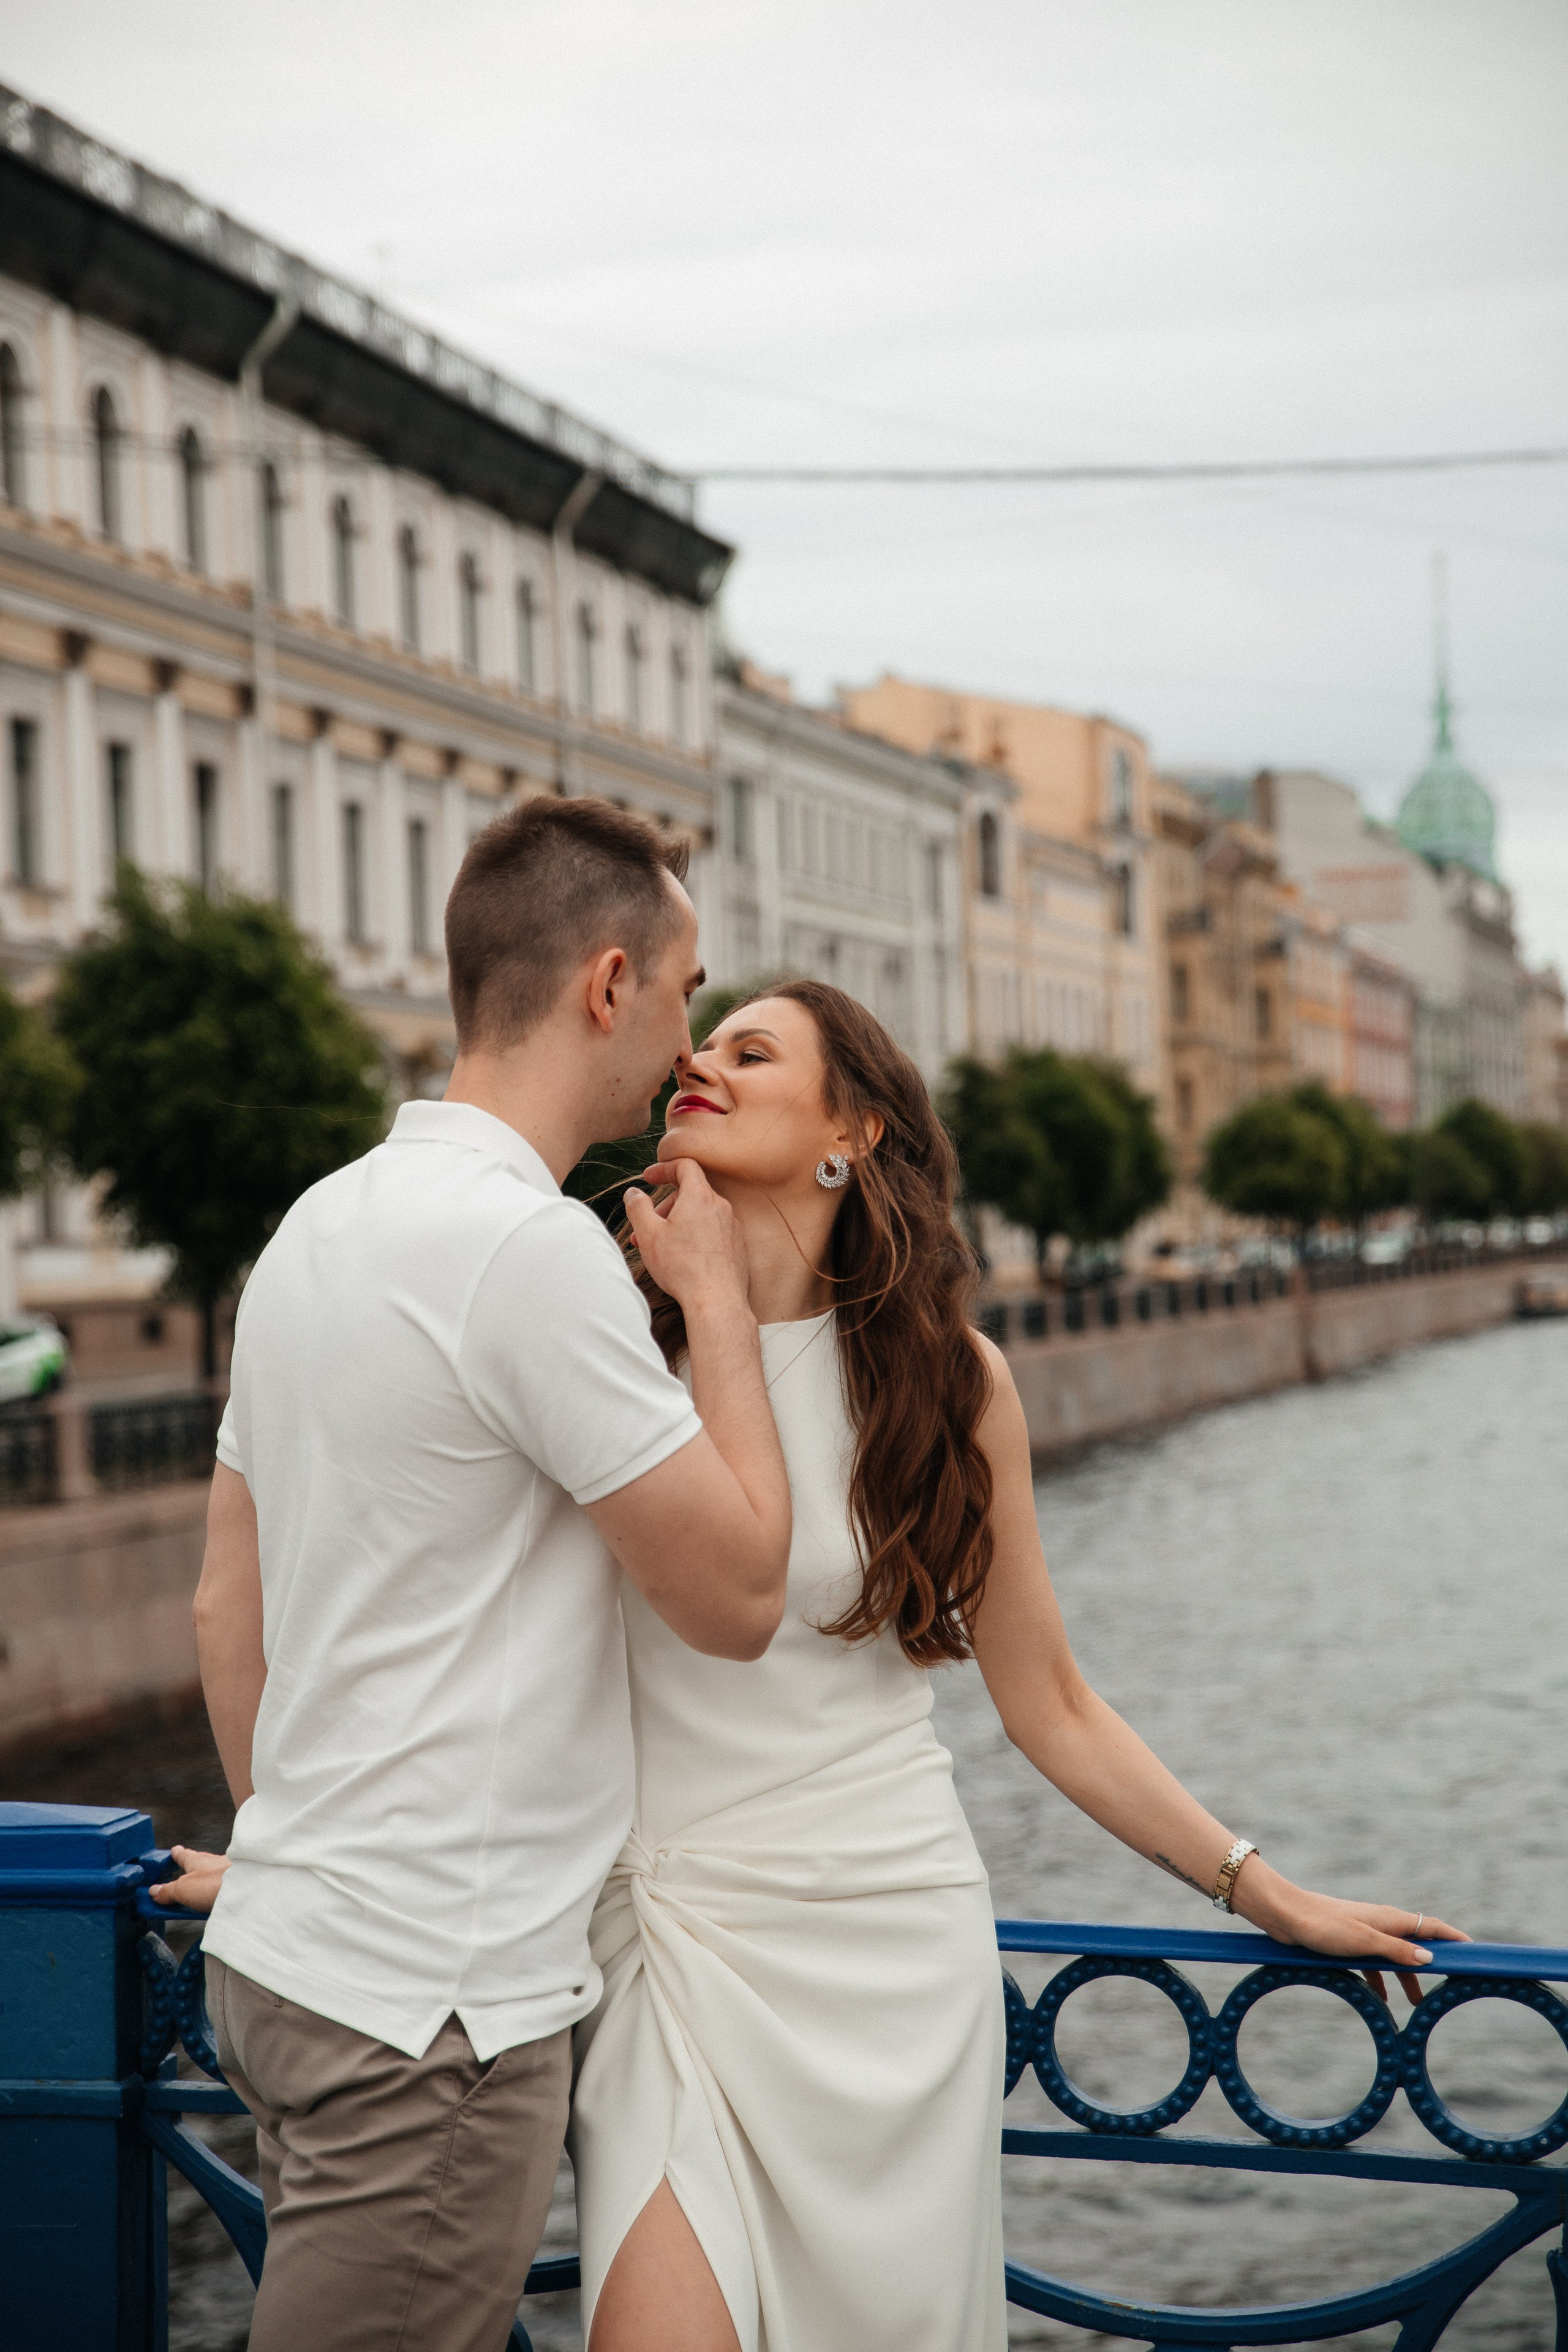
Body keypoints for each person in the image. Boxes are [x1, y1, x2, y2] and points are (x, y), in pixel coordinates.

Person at [567, 979, 1463, 2352]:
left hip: (884, 1940)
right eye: (702, 1045)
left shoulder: (946, 1381)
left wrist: (1264, 1893)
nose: (700, 1062)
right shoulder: (609, 1345)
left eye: (751, 1051)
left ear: (850, 1129)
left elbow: (1046, 1703)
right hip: (669, 1945)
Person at [154, 797, 793, 2352]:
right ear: (608, 984)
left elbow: (223, 1605)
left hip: (291, 1967)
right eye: (687, 989)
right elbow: (737, 1599)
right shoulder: (527, 1249)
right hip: (428, 2009)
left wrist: (305, 1849)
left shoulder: (316, 1225)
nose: (691, 1035)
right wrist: (712, 1304)